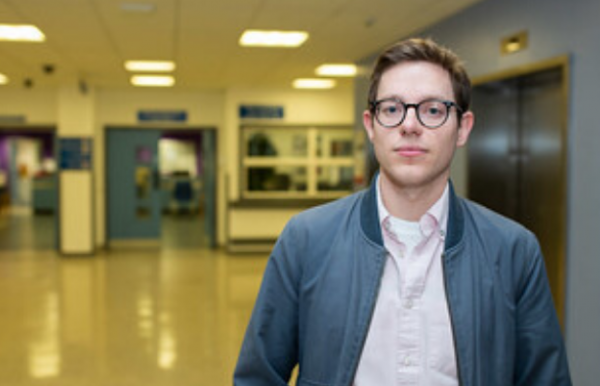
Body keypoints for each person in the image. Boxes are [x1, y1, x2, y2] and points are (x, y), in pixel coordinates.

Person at [234, 37, 571, 386]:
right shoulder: (307, 239)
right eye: (392, 109)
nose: (410, 126)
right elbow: (258, 376)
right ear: (370, 125)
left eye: (433, 110)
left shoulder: (514, 250)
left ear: (463, 128)